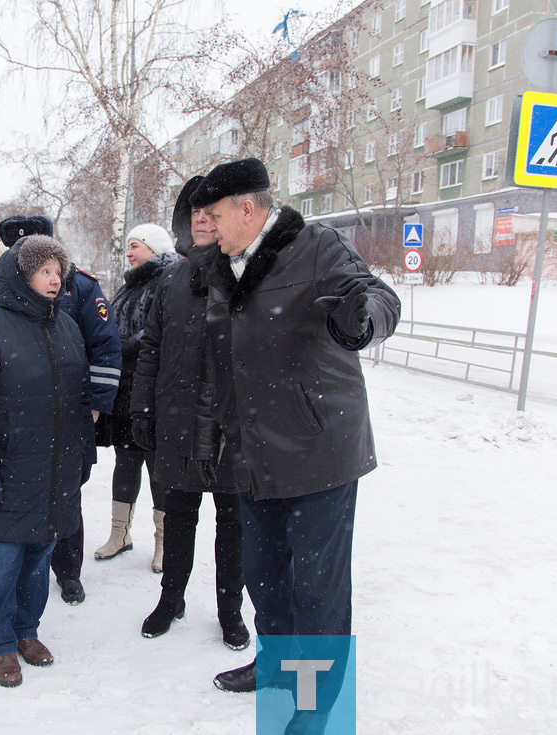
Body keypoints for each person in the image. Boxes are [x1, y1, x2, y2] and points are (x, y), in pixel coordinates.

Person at [189, 159, 399, 723]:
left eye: (214, 215)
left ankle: (317, 702)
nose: (207, 225)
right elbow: (218, 363)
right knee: (264, 574)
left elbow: (378, 299)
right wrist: (211, 436)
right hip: (252, 451)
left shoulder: (317, 248)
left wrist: (360, 320)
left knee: (317, 587)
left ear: (248, 210)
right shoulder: (222, 267)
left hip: (318, 450)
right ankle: (279, 664)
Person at [0, 235, 96, 688]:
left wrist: (81, 456)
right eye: (45, 271)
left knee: (39, 558)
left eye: (59, 272)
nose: (55, 280)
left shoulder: (66, 326)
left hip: (54, 470)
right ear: (21, 274)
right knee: (2, 562)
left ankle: (27, 632)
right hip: (7, 467)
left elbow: (77, 398)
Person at [129, 176, 248, 649]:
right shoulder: (172, 278)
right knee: (178, 514)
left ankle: (229, 611)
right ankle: (170, 598)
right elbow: (151, 347)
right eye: (193, 211)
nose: (201, 218)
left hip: (229, 424)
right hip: (176, 418)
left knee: (232, 521)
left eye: (209, 211)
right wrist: (142, 405)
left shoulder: (245, 273)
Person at [0, 215, 121, 605]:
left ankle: (68, 571)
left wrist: (97, 407)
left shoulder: (79, 286)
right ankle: (21, 566)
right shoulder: (0, 292)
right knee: (21, 495)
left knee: (66, 496)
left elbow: (105, 347)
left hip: (70, 414)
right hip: (22, 419)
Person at [95, 223, 179, 573]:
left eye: (136, 246)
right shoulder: (128, 287)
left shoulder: (169, 281)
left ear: (155, 248)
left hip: (156, 392)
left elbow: (160, 333)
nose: (128, 253)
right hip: (126, 392)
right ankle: (120, 534)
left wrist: (121, 347)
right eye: (128, 246)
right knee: (125, 462)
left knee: (159, 468)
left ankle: (164, 541)